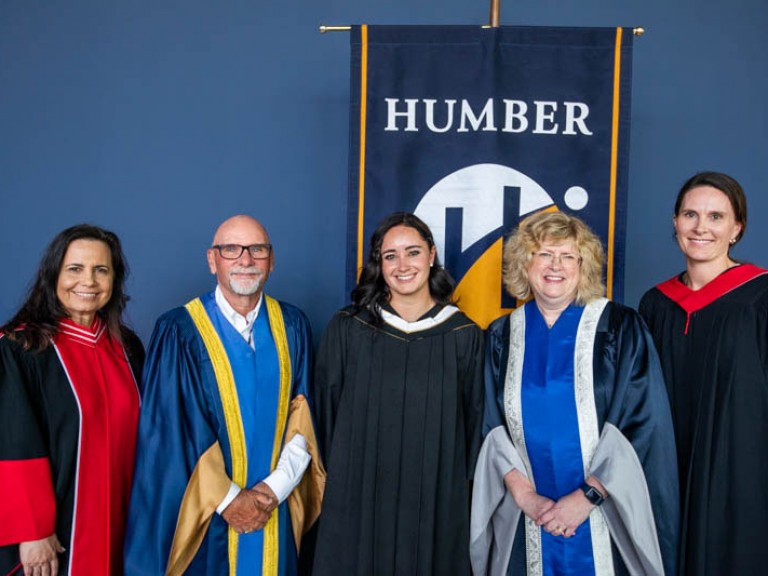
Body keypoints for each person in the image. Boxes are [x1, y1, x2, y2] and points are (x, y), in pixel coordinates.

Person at [472, 211, 679, 576]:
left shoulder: (619, 327)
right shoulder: (502, 336)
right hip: (528, 516)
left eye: (568, 256)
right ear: (525, 263)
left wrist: (588, 497)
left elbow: (642, 422)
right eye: (544, 254)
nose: (556, 266)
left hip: (603, 513)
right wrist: (527, 497)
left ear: (583, 266)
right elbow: (490, 424)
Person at [124, 215, 324, 576]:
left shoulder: (293, 325)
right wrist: (233, 501)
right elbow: (172, 431)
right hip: (207, 520)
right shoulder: (179, 330)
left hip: (273, 510)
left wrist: (272, 491)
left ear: (271, 259)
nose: (245, 260)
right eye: (231, 249)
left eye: (257, 249)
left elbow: (304, 419)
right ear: (212, 260)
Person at [312, 212, 484, 575]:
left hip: (435, 502)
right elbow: (325, 419)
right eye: (390, 256)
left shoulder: (463, 336)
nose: (402, 265)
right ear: (379, 263)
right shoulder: (348, 329)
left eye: (413, 252)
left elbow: (473, 429)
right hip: (358, 499)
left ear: (432, 255)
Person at [638, 171, 768, 575]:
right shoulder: (656, 304)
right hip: (665, 469)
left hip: (742, 469)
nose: (700, 227)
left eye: (716, 217)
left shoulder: (760, 298)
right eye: (690, 214)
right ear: (675, 222)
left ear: (736, 228)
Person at [0, 224, 143, 576]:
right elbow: (15, 443)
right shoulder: (21, 349)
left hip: (124, 521)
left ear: (115, 280)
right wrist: (32, 530)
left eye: (101, 270)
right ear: (53, 276)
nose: (88, 282)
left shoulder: (127, 347)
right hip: (55, 533)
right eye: (75, 269)